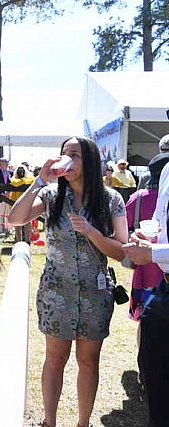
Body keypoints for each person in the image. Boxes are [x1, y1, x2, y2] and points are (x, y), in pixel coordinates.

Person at [8, 136, 127, 427]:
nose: (67, 159)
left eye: (74, 154)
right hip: (55, 293)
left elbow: (122, 251)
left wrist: (92, 233)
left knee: (88, 361)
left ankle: (82, 423)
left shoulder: (111, 199)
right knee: (55, 358)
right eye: (64, 153)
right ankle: (50, 421)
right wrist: (38, 180)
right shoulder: (50, 195)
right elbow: (15, 219)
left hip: (94, 294)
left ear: (90, 160)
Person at [123, 159, 169, 426]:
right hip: (164, 288)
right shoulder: (166, 171)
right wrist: (149, 237)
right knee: (153, 372)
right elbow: (159, 220)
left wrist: (152, 252)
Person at [124, 154, 168, 348]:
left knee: (144, 318)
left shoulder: (137, 197)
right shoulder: (168, 172)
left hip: (148, 269)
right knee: (153, 365)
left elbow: (123, 224)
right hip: (162, 281)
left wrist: (151, 251)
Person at [8, 165, 35, 243]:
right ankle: (18, 241)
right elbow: (14, 182)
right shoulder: (14, 179)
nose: (21, 173)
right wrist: (23, 181)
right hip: (15, 204)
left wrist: (22, 181)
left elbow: (32, 179)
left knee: (27, 223)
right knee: (17, 223)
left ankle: (27, 241)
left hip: (27, 203)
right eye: (19, 171)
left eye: (22, 171)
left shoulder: (30, 178)